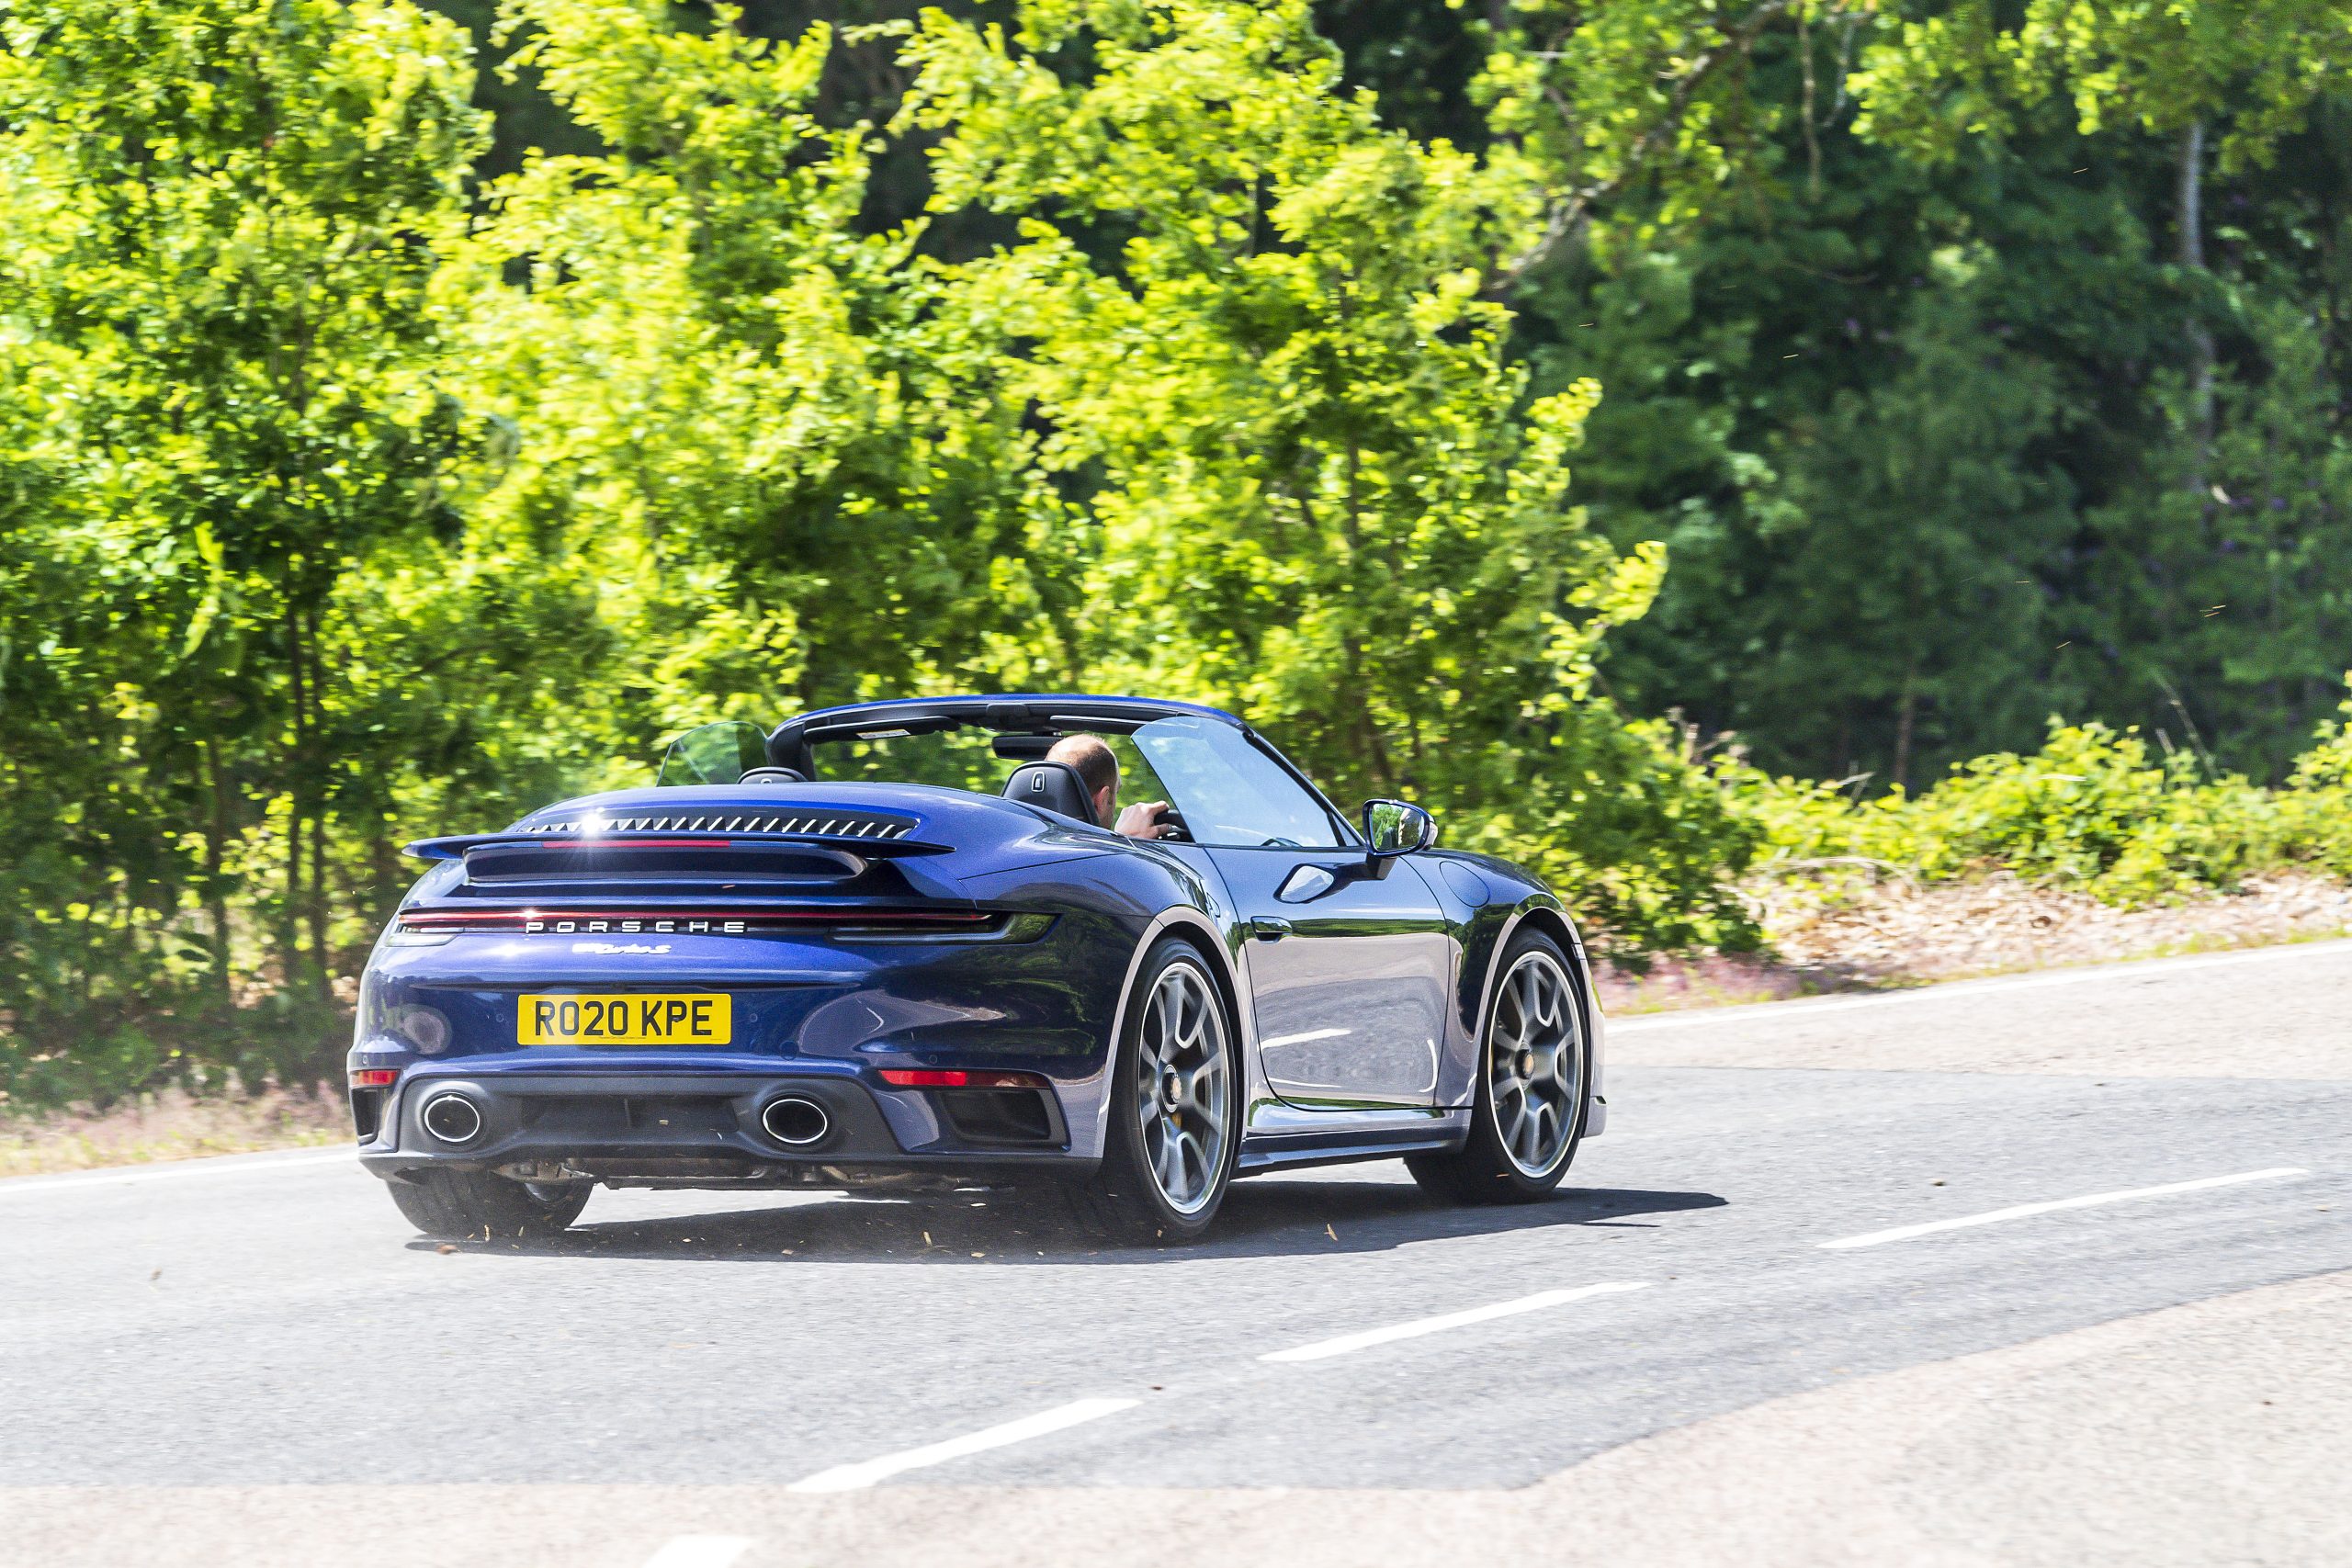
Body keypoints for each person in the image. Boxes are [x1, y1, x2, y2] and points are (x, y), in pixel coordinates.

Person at [1044, 734, 1172, 839]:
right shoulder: (1096, 864)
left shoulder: (1026, 842)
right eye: (1117, 791)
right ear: (1102, 800)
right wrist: (1126, 842)